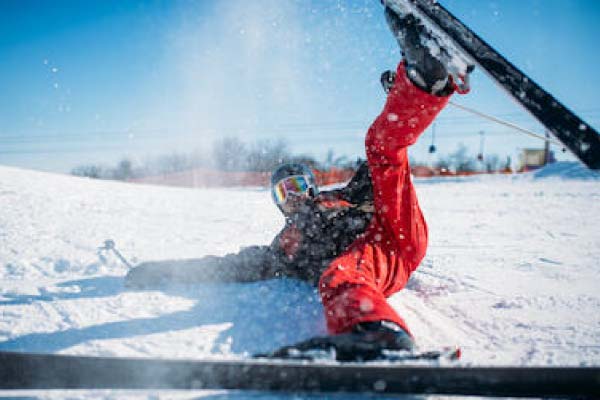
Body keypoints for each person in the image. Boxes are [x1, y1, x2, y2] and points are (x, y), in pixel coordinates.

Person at [125, 5, 471, 361]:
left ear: (312, 185)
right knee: (339, 273)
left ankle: (424, 79)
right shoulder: (286, 245)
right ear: (276, 200)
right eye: (284, 191)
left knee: (380, 147)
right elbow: (232, 266)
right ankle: (376, 334)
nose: (294, 196)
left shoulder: (338, 197)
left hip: (391, 227)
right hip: (378, 255)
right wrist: (170, 272)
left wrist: (396, 97)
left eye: (299, 186)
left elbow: (375, 177)